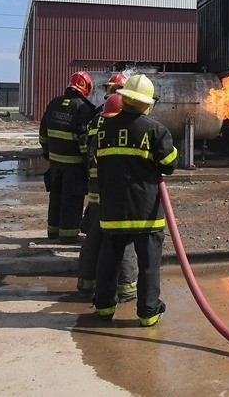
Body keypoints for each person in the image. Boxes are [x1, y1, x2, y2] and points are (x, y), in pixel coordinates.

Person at [93, 74, 178, 326]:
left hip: (112, 209)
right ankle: (149, 312)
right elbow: (169, 164)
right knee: (149, 264)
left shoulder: (102, 129)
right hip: (146, 211)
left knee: (108, 262)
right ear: (145, 103)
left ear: (125, 97)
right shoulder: (155, 130)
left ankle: (105, 307)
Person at [77, 74, 138, 300]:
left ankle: (86, 282)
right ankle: (126, 288)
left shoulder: (96, 118)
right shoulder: (127, 118)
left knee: (94, 237)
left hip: (96, 187)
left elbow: (87, 150)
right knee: (125, 239)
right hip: (120, 190)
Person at [38, 71, 97, 243]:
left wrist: (48, 152)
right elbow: (84, 141)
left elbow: (43, 134)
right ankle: (68, 235)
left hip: (55, 164)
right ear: (86, 88)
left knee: (55, 197)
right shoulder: (83, 108)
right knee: (71, 200)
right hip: (74, 165)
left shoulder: (54, 103)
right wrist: (89, 164)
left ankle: (53, 232)